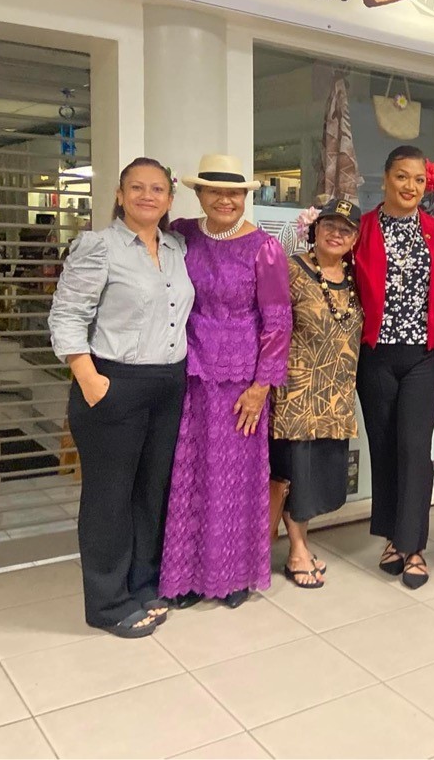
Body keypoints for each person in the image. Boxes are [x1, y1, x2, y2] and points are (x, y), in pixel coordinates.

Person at [49, 158, 194, 638]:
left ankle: (141, 584)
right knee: (109, 498)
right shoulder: (99, 246)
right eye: (137, 188)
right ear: (119, 194)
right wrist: (89, 379)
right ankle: (108, 603)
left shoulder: (175, 248)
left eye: (157, 189)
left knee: (150, 493)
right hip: (113, 382)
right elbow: (66, 315)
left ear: (170, 198)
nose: (147, 196)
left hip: (168, 384)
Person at [159, 155, 292, 610]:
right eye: (215, 191)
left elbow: (278, 322)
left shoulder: (264, 248)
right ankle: (187, 576)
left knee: (236, 478)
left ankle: (233, 574)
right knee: (190, 475)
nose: (225, 200)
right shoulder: (182, 235)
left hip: (241, 382)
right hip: (190, 370)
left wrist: (261, 386)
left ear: (245, 197)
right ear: (199, 194)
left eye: (234, 193)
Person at [354, 146, 434, 589]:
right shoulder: (361, 229)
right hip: (375, 355)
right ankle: (392, 538)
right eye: (402, 176)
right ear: (385, 178)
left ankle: (413, 545)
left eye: (418, 179)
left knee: (414, 448)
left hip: (425, 355)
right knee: (383, 446)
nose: (410, 186)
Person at [269, 198, 363, 588]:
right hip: (296, 393)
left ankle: (301, 544)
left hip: (335, 397)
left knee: (318, 478)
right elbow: (270, 324)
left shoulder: (356, 278)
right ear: (315, 229)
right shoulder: (290, 269)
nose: (336, 234)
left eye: (346, 229)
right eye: (329, 225)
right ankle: (297, 551)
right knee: (296, 476)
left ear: (355, 239)